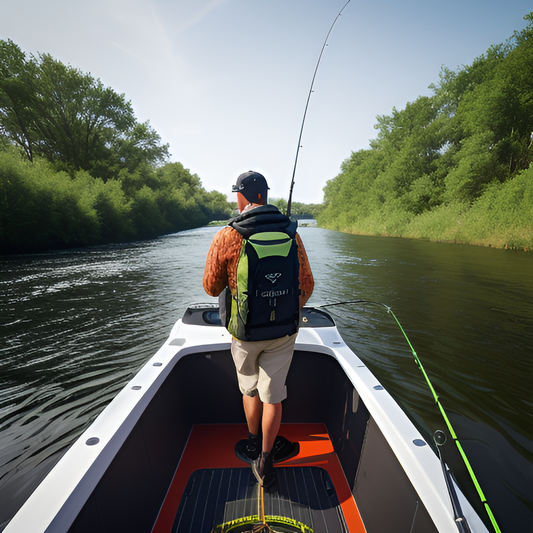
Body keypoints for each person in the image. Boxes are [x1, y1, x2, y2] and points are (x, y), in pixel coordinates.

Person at [203, 170, 314, 485]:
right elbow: (306, 285)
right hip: (283, 332)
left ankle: (253, 443)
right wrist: (284, 311)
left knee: (249, 388)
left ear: (241, 196)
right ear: (265, 195)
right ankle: (266, 460)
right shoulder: (291, 232)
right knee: (273, 396)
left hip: (245, 331)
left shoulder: (227, 235)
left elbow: (211, 288)